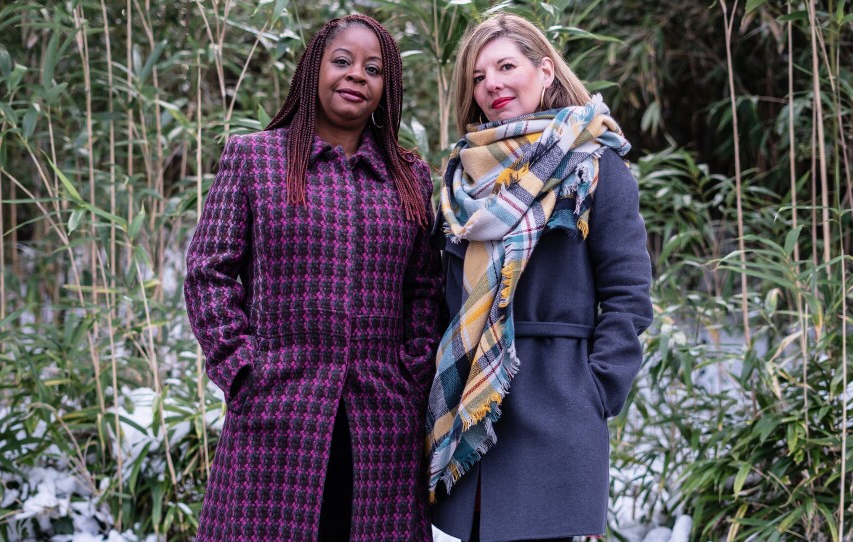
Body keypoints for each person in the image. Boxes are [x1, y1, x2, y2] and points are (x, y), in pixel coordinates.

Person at [185, 14, 443, 542]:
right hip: (275, 411)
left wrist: (413, 375)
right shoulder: (255, 158)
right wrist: (241, 369)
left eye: (373, 69)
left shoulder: (408, 176)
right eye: (342, 61)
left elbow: (425, 288)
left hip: (380, 422)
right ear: (314, 69)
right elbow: (208, 270)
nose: (356, 76)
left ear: (386, 87)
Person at [426, 13, 653, 542]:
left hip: (559, 406)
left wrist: (595, 389)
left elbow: (629, 295)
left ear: (545, 69)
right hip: (471, 407)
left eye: (506, 66)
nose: (491, 85)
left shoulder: (595, 166)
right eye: (478, 77)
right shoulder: (464, 176)